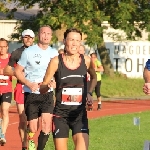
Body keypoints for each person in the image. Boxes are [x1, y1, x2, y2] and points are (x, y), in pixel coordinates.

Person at [40, 28, 97, 150]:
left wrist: (89, 92)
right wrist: (48, 86)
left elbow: (94, 78)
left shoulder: (86, 61)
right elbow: (42, 88)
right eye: (71, 40)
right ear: (64, 41)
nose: (74, 43)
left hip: (79, 116)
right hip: (61, 116)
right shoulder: (56, 61)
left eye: (77, 40)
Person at [14, 25, 58, 150]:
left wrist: (54, 82)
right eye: (43, 33)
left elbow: (57, 73)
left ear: (51, 36)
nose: (46, 36)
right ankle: (29, 140)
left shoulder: (54, 53)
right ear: (39, 35)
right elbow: (17, 71)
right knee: (33, 127)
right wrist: (28, 83)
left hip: (47, 93)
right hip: (31, 93)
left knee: (46, 125)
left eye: (48, 33)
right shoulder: (28, 52)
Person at [3, 29, 35, 150]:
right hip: (21, 88)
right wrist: (18, 73)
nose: (28, 39)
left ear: (33, 39)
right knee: (23, 118)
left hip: (35, 88)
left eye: (30, 37)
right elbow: (6, 70)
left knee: (33, 120)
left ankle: (31, 138)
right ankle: (24, 145)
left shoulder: (39, 51)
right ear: (22, 38)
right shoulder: (17, 52)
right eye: (25, 37)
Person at [0, 38, 12, 146]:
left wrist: (5, 71)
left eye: (4, 46)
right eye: (0, 47)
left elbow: (17, 72)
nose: (2, 49)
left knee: (4, 110)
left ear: (7, 47)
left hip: (7, 90)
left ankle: (2, 135)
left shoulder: (11, 59)